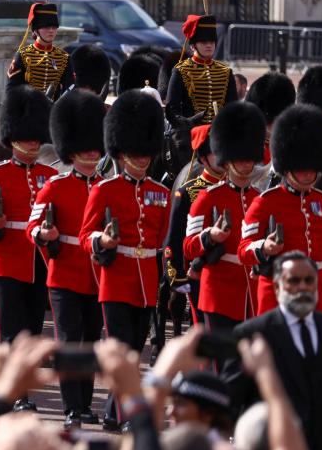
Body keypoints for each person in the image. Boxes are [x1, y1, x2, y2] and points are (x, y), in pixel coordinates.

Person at [80, 90, 170, 430]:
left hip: (147, 279)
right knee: (120, 350)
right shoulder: (105, 190)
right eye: (136, 152)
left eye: (146, 152)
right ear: (121, 151)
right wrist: (102, 240)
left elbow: (162, 240)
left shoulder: (161, 193)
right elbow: (86, 235)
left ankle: (111, 412)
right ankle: (124, 413)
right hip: (116, 277)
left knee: (136, 349)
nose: (143, 158)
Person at [223, 252, 322, 450]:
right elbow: (230, 399)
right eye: (293, 281)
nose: (302, 287)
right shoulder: (252, 334)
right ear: (277, 287)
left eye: (309, 281)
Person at [0, 86, 55, 410]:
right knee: (10, 334)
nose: (34, 142)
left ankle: (20, 390)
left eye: (37, 137)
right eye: (28, 136)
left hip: (38, 262)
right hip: (6, 262)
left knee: (32, 334)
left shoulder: (49, 176)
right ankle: (13, 394)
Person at [28, 89, 106, 429]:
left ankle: (85, 402)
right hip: (63, 275)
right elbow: (33, 225)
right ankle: (72, 405)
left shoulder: (107, 186)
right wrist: (44, 235)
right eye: (84, 149)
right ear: (71, 152)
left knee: (89, 341)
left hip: (98, 275)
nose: (91, 154)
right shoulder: (54, 187)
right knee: (68, 340)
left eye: (95, 148)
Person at [183, 102, 264, 363]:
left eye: (249, 157)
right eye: (240, 158)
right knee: (223, 365)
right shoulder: (207, 198)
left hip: (251, 291)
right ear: (227, 159)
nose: (246, 163)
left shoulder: (260, 199)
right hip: (218, 292)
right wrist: (209, 237)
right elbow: (188, 246)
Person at [238, 104, 322, 314]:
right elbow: (243, 250)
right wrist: (264, 247)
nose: (308, 175)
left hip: (317, 292)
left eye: (312, 169)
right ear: (287, 166)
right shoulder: (266, 201)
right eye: (302, 169)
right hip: (278, 291)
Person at [162, 124, 223, 324]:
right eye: (216, 152)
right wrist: (177, 277)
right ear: (204, 157)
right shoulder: (187, 192)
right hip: (198, 270)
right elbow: (175, 237)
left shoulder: (236, 188)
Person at [165, 9, 237, 127]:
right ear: (193, 46)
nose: (209, 45)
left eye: (212, 42)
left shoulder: (225, 71)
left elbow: (233, 106)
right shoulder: (181, 71)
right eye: (203, 42)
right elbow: (173, 110)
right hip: (191, 133)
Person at [6, 1, 69, 98]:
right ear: (36, 30)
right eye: (46, 27)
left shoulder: (64, 58)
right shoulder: (23, 55)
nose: (51, 30)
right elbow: (12, 90)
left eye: (54, 27)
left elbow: (69, 88)